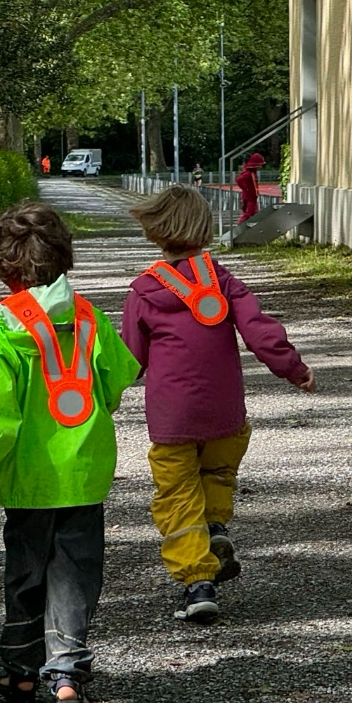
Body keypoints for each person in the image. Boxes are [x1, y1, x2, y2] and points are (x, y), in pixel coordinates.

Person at [0, 203, 140, 703]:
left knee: (26, 572)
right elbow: (115, 383)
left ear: (3, 269)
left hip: (29, 480)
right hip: (84, 473)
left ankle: (19, 670)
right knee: (76, 575)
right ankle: (69, 676)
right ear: (65, 258)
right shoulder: (89, 318)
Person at [123, 186, 314, 625]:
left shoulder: (144, 292)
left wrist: (100, 394)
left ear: (155, 232)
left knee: (177, 494)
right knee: (217, 473)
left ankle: (198, 583)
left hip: (172, 419)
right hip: (225, 412)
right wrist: (294, 368)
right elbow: (259, 331)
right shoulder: (223, 282)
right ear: (205, 229)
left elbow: (131, 361)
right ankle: (214, 529)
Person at [236, 151, 265, 223]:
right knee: (249, 212)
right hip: (249, 196)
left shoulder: (252, 173)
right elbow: (239, 179)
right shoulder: (249, 173)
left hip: (252, 196)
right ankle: (241, 224)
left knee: (253, 212)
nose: (261, 167)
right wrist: (246, 189)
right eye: (260, 165)